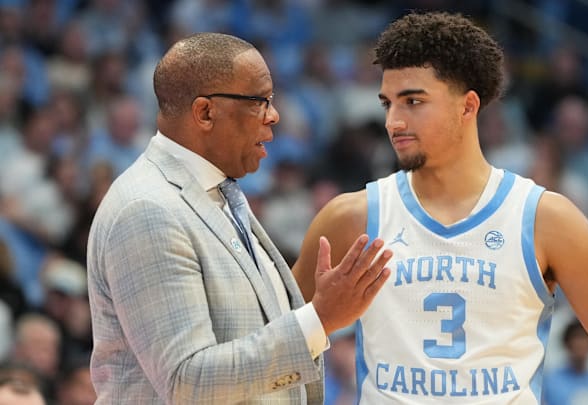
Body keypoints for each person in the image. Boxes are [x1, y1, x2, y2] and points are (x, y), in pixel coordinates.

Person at [292, 11, 588, 404]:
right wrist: (315, 321)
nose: (393, 122)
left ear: (467, 107)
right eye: (388, 104)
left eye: (413, 101)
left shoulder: (545, 219)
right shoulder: (351, 217)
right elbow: (272, 346)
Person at [86, 32, 392, 404]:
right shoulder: (148, 208)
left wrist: (316, 314)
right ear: (205, 112)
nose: (274, 115)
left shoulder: (219, 193)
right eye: (260, 101)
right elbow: (188, 381)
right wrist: (319, 320)